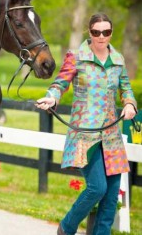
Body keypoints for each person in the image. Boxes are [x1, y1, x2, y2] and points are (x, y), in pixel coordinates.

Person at [35, 13, 137, 235]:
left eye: (106, 32)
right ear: (89, 32)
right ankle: (67, 227)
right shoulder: (76, 56)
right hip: (84, 134)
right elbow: (60, 83)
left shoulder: (118, 59)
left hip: (111, 135)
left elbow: (126, 88)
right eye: (96, 32)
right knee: (97, 187)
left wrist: (129, 104)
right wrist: (52, 96)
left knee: (111, 196)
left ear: (111, 33)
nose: (101, 36)